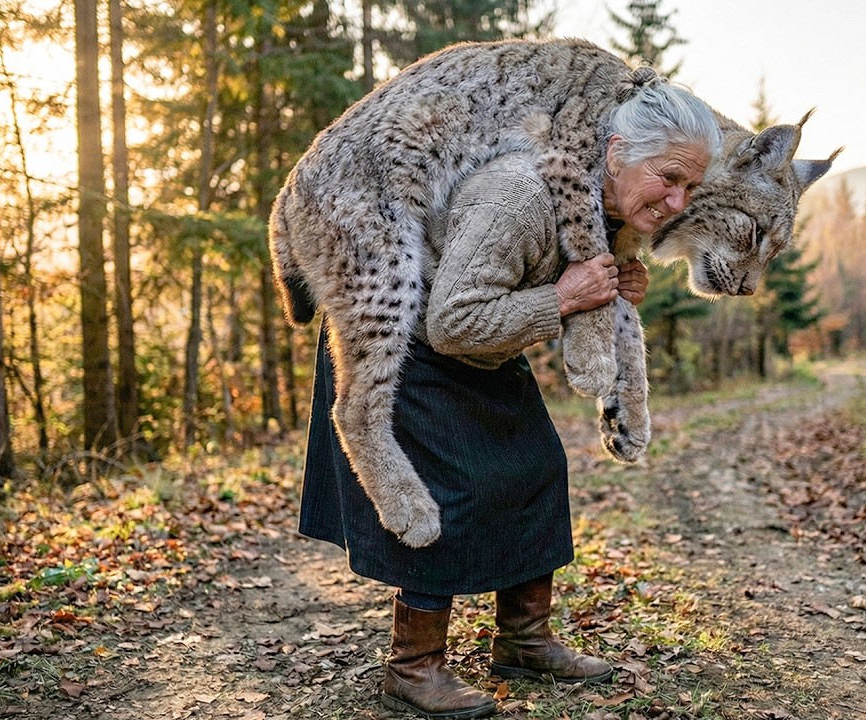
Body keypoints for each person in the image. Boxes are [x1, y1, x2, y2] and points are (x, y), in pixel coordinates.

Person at [298, 77, 721, 720]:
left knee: (538, 467)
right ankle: (414, 666)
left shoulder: (603, 210)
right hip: (414, 339)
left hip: (485, 344)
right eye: (668, 177)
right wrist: (564, 298)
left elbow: (554, 276)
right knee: (448, 490)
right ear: (614, 153)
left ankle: (524, 641)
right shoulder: (520, 196)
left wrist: (605, 285)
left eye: (689, 188)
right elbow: (452, 321)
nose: (676, 200)